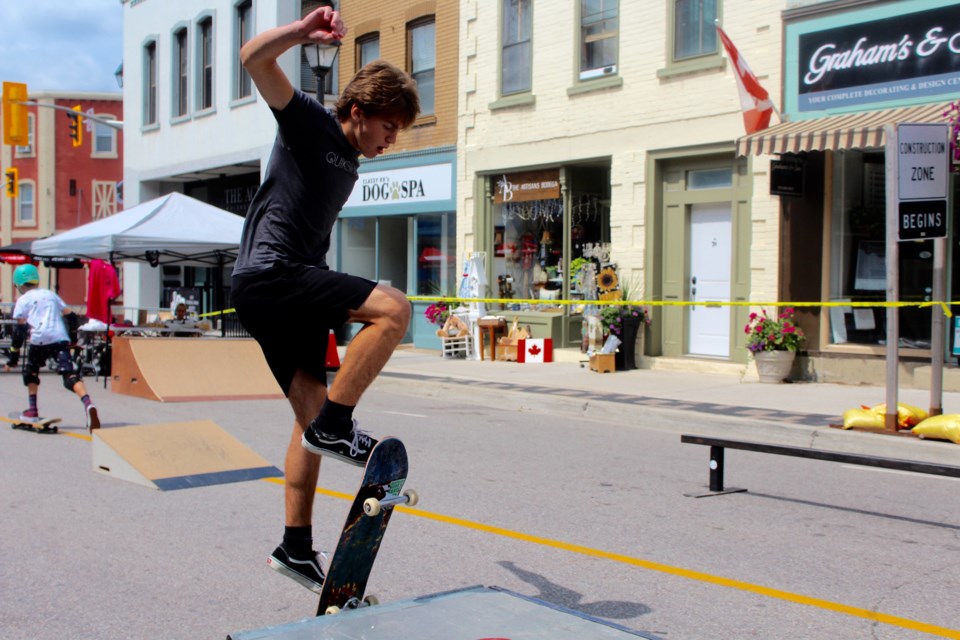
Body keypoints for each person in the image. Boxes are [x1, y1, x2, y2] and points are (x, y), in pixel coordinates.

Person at [230, 6, 419, 594]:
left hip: (276, 289)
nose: (391, 140)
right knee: (394, 309)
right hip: (275, 275)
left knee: (303, 423)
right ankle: (337, 423)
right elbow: (252, 60)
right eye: (388, 126)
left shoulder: (351, 160)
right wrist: (298, 33)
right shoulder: (309, 122)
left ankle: (294, 547)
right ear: (359, 112)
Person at [4, 264, 100, 432]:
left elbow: (19, 332)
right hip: (59, 339)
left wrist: (13, 357)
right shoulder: (50, 295)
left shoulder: (22, 300)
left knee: (31, 372)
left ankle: (32, 409)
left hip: (39, 340)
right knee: (69, 376)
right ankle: (88, 404)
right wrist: (72, 338)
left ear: (19, 284)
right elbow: (71, 316)